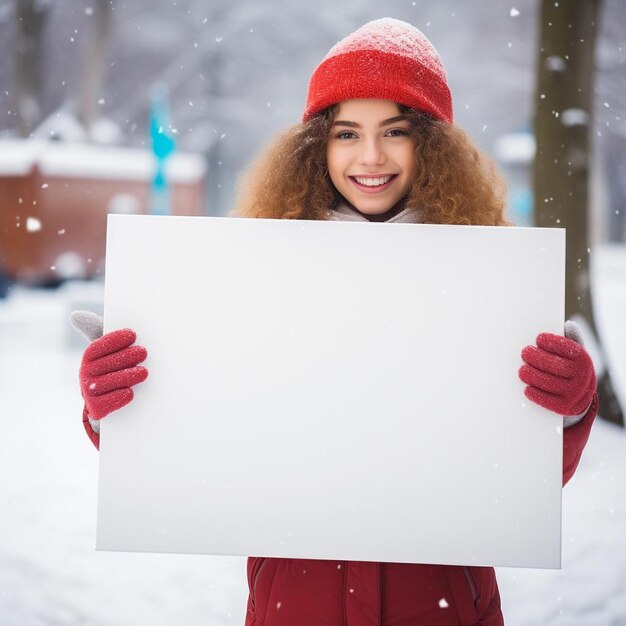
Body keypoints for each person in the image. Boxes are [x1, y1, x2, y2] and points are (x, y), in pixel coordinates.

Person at [72, 18, 598, 626]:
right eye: (346, 132)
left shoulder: (489, 282)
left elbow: (517, 485)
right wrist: (115, 404)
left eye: (394, 131)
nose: (369, 156)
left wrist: (569, 407)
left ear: (431, 143)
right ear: (317, 145)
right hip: (295, 602)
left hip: (440, 606)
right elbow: (194, 443)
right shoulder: (253, 277)